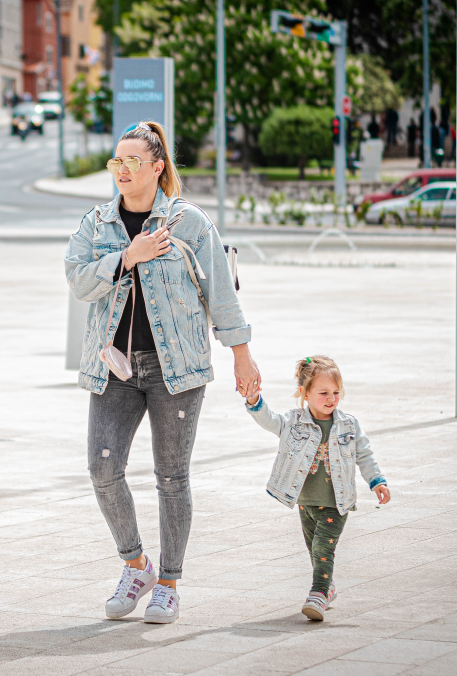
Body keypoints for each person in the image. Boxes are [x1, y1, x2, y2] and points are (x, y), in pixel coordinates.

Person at [65, 121, 260, 625]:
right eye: (116, 161)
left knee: (172, 477)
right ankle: (136, 565)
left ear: (157, 167)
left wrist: (241, 353)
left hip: (178, 370)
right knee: (102, 469)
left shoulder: (189, 223)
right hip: (114, 369)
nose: (122, 170)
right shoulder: (96, 225)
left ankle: (169, 583)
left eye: (132, 161)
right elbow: (78, 281)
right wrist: (127, 257)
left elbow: (220, 290)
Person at [244, 356, 389, 622]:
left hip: (336, 502)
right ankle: (328, 586)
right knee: (314, 550)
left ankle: (318, 594)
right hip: (305, 501)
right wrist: (254, 401)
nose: (331, 398)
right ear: (305, 393)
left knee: (323, 547)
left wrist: (376, 480)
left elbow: (364, 454)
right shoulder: (293, 422)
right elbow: (269, 420)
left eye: (336, 393)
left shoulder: (348, 425)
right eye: (323, 393)